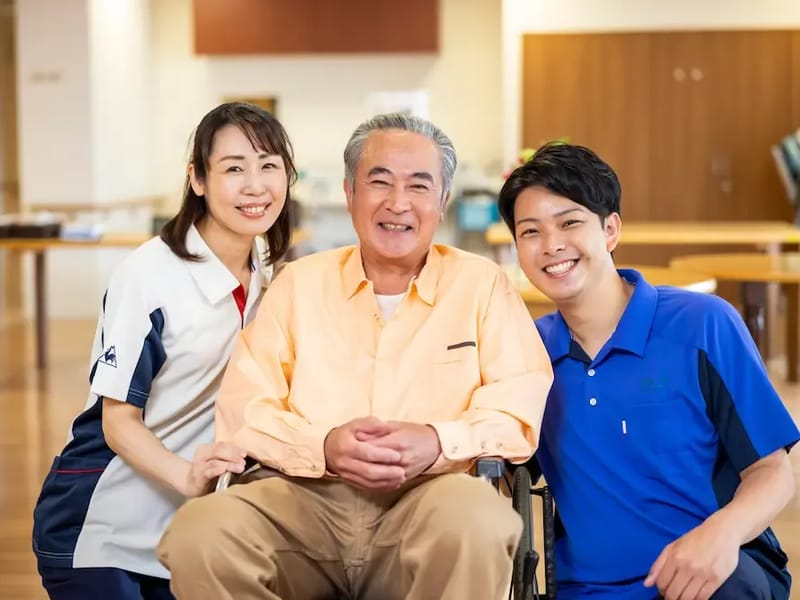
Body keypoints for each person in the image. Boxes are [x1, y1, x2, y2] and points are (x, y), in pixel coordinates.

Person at [156, 113, 554, 600]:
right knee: (201, 531)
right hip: (300, 500)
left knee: (479, 520)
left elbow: (518, 407)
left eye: (419, 185)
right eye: (379, 181)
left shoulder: (481, 285)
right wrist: (324, 445)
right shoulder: (299, 283)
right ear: (349, 195)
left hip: (432, 498)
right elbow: (245, 412)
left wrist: (436, 440)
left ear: (443, 202)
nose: (398, 203)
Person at [497, 142, 800, 600]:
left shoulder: (703, 324)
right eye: (530, 232)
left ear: (611, 229)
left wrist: (720, 535)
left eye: (570, 222)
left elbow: (773, 471)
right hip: (587, 590)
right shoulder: (528, 350)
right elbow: (501, 470)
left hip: (710, 579)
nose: (552, 244)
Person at [31, 102, 297, 600]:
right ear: (196, 178)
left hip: (185, 530)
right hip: (101, 527)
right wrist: (187, 477)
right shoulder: (148, 276)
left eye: (269, 166)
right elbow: (117, 421)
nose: (256, 185)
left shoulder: (265, 265)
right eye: (234, 168)